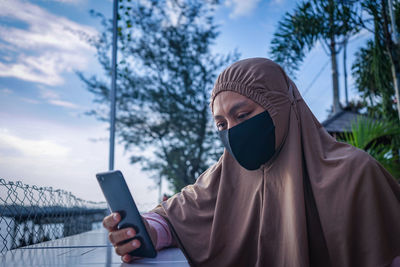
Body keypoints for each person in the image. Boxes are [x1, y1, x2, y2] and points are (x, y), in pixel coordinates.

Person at [103, 58, 400, 266]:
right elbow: (174, 215)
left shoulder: (355, 173)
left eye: (243, 116)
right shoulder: (226, 174)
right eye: (221, 124)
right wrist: (142, 231)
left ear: (282, 107)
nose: (232, 131)